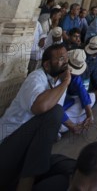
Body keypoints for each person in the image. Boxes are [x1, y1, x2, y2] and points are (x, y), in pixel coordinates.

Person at [0, 44, 71, 190]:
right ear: (46, 64)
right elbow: (41, 107)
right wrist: (65, 83)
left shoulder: (58, 82)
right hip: (7, 148)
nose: (65, 62)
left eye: (66, 57)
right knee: (55, 112)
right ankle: (25, 184)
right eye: (61, 58)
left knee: (70, 168)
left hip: (26, 154)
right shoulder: (36, 78)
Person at [61, 48, 96, 134]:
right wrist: (71, 125)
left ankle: (81, 119)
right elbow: (55, 107)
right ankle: (72, 121)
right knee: (59, 123)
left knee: (92, 96)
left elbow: (82, 91)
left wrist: (89, 114)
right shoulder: (56, 76)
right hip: (58, 109)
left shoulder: (75, 76)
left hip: (69, 102)